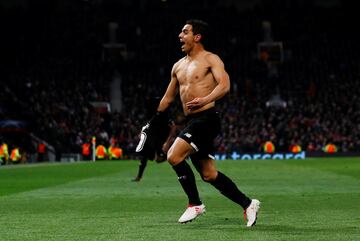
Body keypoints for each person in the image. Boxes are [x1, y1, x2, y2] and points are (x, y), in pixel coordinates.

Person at [154, 19, 260, 226]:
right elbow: (168, 98)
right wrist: (153, 120)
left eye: (185, 32)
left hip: (207, 119)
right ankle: (248, 204)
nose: (180, 36)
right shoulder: (178, 66)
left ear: (197, 37)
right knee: (209, 174)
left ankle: (195, 204)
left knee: (173, 156)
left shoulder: (211, 59)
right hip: (192, 122)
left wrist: (205, 99)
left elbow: (225, 85)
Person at [132, 97, 177, 182]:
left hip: (161, 139)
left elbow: (173, 127)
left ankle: (177, 165)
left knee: (160, 159)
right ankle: (139, 177)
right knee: (144, 157)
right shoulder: (155, 115)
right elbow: (149, 125)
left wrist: (167, 142)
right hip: (153, 139)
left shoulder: (164, 114)